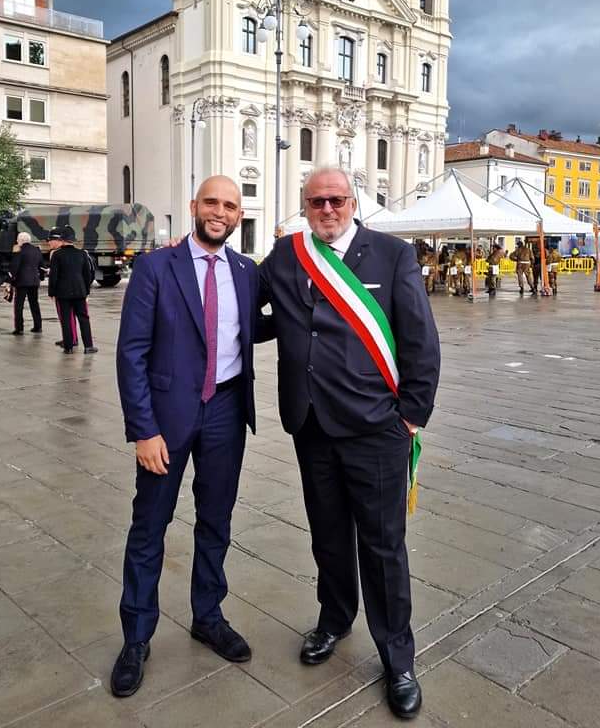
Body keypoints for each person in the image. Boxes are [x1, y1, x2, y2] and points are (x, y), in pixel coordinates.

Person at [258, 167, 440, 720]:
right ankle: (334, 619)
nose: (327, 210)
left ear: (353, 203)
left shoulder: (392, 255)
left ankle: (398, 658)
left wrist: (411, 417)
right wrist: (190, 258)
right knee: (329, 536)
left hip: (376, 430)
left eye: (336, 200)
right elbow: (249, 302)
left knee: (383, 548)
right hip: (312, 425)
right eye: (317, 201)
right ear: (305, 206)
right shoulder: (288, 256)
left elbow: (420, 338)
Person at [112, 176, 270, 698]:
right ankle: (136, 637)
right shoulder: (157, 267)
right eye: (212, 203)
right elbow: (132, 353)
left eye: (230, 205)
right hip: (168, 417)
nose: (220, 212)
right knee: (149, 527)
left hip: (226, 410)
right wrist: (144, 430)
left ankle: (208, 615)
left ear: (239, 215)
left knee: (216, 520)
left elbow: (254, 326)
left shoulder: (246, 272)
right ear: (194, 206)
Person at [47, 226, 97, 353]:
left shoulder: (57, 255)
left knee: (66, 319)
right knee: (84, 318)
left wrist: (52, 292)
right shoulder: (82, 254)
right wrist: (86, 290)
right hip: (80, 291)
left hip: (62, 292)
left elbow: (53, 276)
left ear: (62, 240)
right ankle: (88, 346)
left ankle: (68, 347)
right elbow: (87, 275)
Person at [9, 232, 44, 335]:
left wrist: (10, 280)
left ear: (21, 240)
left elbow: (15, 267)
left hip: (21, 282)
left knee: (19, 305)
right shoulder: (37, 250)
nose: (17, 241)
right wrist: (41, 277)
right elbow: (42, 266)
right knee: (34, 303)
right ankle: (38, 326)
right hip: (34, 281)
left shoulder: (19, 250)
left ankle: (19, 328)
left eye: (17, 240)